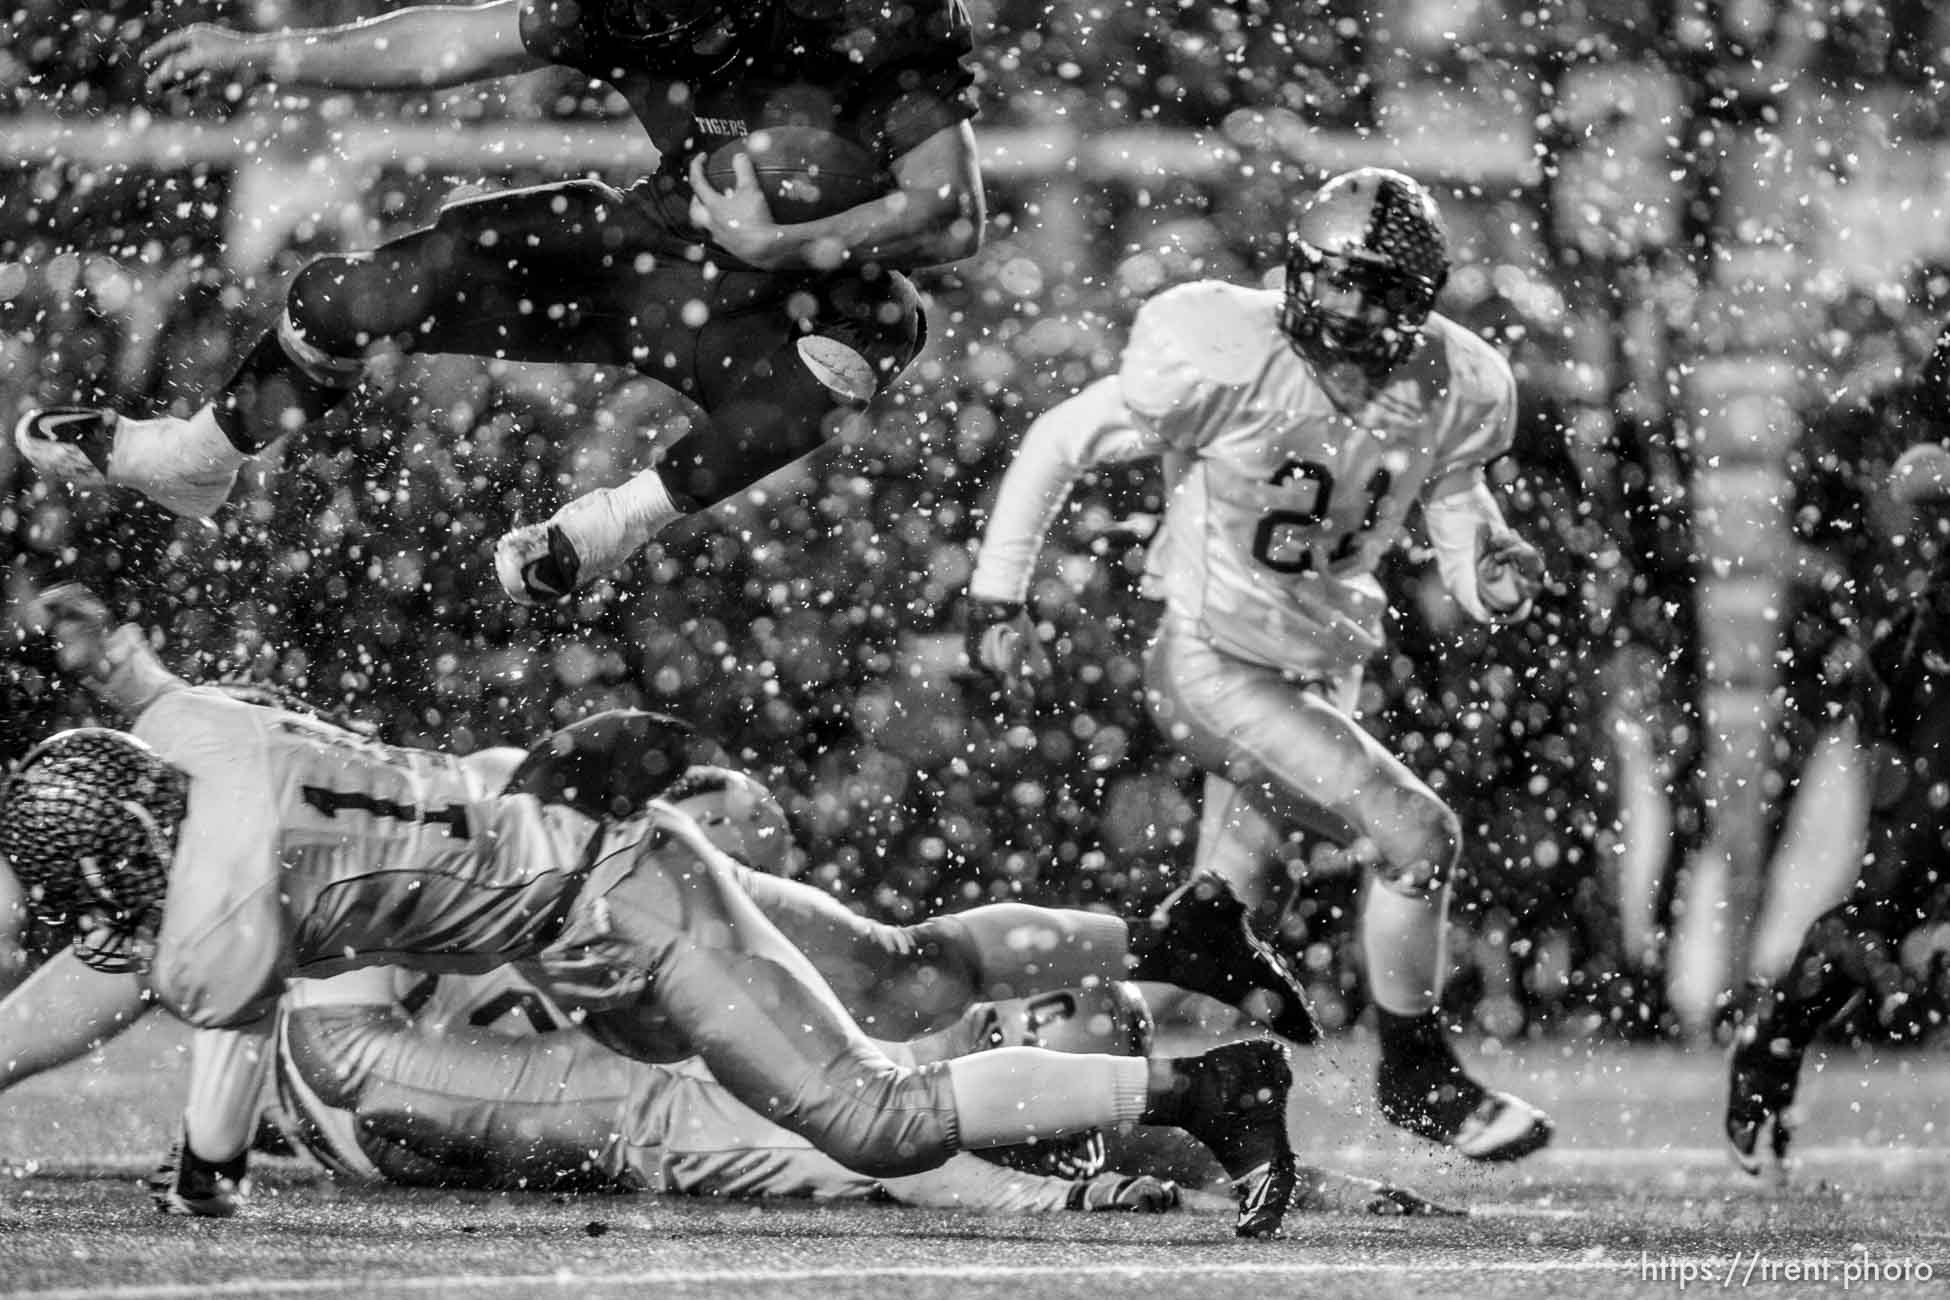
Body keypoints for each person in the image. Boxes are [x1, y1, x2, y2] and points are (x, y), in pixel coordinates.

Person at [1, 593, 1302, 1236]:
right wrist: (99, 651)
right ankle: (1179, 1048)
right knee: (811, 1070)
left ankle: (1199, 1087)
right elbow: (144, 684)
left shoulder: (210, 906)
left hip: (597, 909)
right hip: (556, 860)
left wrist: (200, 1183)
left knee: (861, 1110)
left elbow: (220, 1065)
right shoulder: (197, 737)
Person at [16, 0, 987, 605]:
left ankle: (614, 525)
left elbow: (951, 216)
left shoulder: (866, 19)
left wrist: (784, 243)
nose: (681, 44)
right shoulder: (611, 13)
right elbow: (454, 41)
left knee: (879, 327)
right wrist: (275, 56)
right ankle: (198, 458)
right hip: (660, 244)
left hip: (788, 295)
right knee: (362, 290)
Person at [965, 167, 1554, 1162]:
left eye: (1377, 291)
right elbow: (1061, 438)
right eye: (1335, 281)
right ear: (1297, 272)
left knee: (1231, 908)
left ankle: (1028, 1071)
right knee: (1417, 835)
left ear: (1418, 302)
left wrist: (1487, 560)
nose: (1350, 308)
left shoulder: (1453, 385)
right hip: (1213, 660)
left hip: (1324, 664)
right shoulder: (1221, 353)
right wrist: (997, 596)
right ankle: (1417, 1073)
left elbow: (1456, 505)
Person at [1726, 325, 1950, 1175]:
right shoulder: (1886, 399)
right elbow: (1916, 471)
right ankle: (1773, 1039)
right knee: (1897, 886)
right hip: (1936, 661)